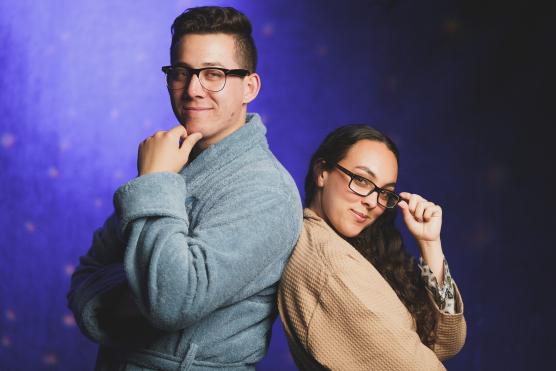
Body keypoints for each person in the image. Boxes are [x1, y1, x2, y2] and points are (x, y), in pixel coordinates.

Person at [67, 6, 302, 370]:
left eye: (214, 74)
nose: (193, 89)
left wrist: (154, 182)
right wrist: (138, 291)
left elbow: (170, 301)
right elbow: (88, 273)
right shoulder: (174, 161)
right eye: (181, 72)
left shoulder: (266, 189)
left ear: (249, 88)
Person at [278, 125, 466, 370]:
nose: (370, 201)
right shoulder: (331, 263)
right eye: (361, 180)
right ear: (322, 172)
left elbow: (447, 342)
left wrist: (430, 245)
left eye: (384, 192)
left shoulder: (354, 249)